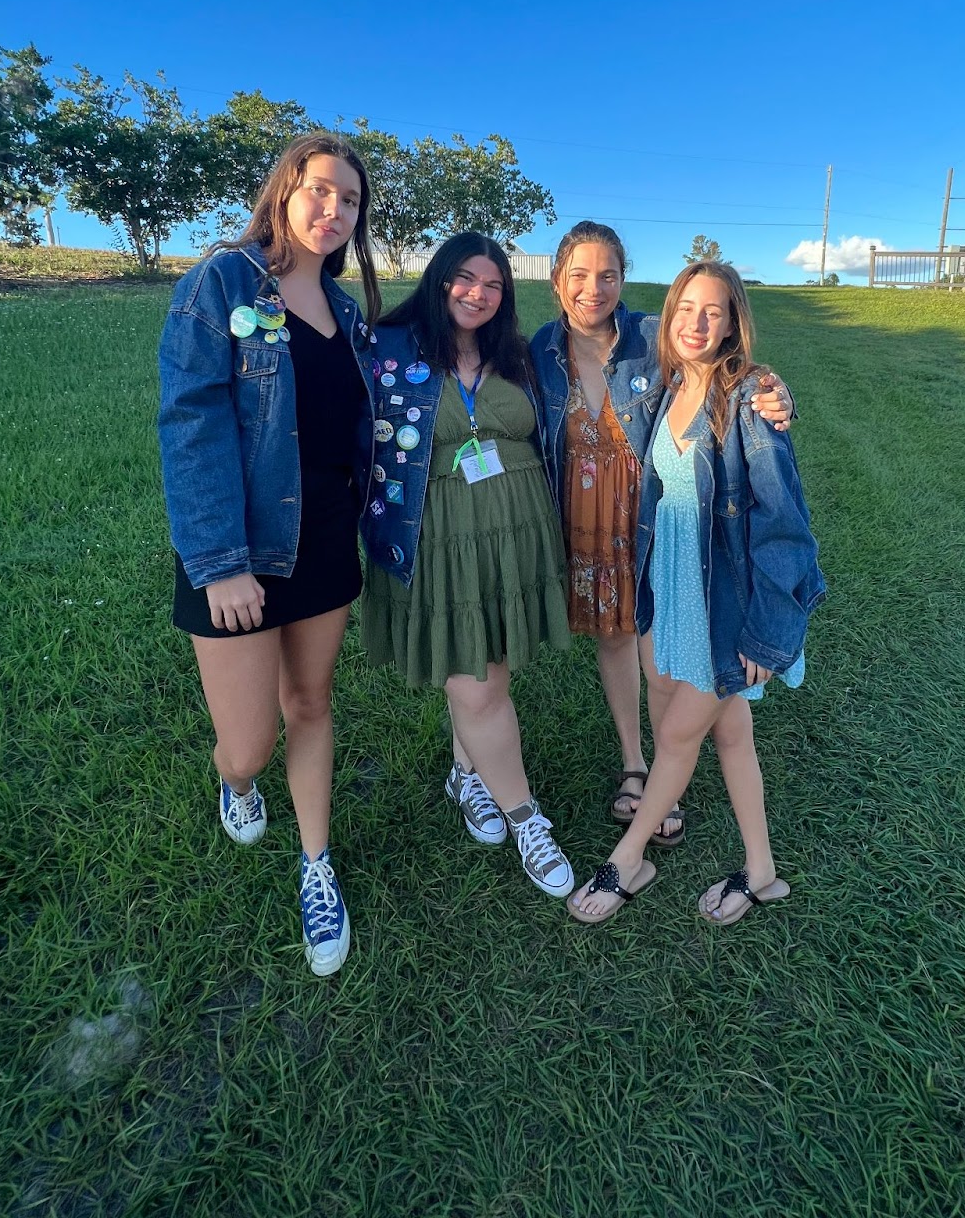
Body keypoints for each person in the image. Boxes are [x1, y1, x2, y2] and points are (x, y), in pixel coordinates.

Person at [158, 133, 381, 975]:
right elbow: (191, 422)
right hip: (239, 545)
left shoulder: (347, 313)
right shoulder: (222, 282)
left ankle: (317, 866)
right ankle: (239, 782)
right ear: (284, 190)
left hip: (323, 536)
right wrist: (221, 564)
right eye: (321, 190)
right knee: (249, 743)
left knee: (312, 702)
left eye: (350, 200)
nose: (335, 210)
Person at [567, 261, 825, 925]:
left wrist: (765, 636)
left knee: (681, 733)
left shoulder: (749, 400)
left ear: (734, 324)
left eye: (713, 312)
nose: (696, 323)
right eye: (685, 308)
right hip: (675, 582)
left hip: (728, 604)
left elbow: (785, 527)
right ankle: (761, 871)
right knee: (731, 735)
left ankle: (628, 860)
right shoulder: (671, 385)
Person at [530, 222, 793, 843]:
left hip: (652, 513)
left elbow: (727, 373)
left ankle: (671, 768)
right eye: (579, 275)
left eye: (608, 275)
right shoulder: (539, 349)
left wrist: (776, 396)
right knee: (614, 635)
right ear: (557, 280)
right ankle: (636, 764)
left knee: (662, 649)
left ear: (624, 279)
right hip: (584, 513)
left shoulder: (655, 334)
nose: (593, 289)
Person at [361, 233, 575, 899]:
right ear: (440, 279)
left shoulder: (519, 355)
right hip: (438, 536)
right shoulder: (388, 347)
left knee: (485, 663)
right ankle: (526, 819)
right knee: (478, 686)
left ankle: (467, 774)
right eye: (465, 278)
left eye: (493, 285)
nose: (478, 294)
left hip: (516, 535)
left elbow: (616, 342)